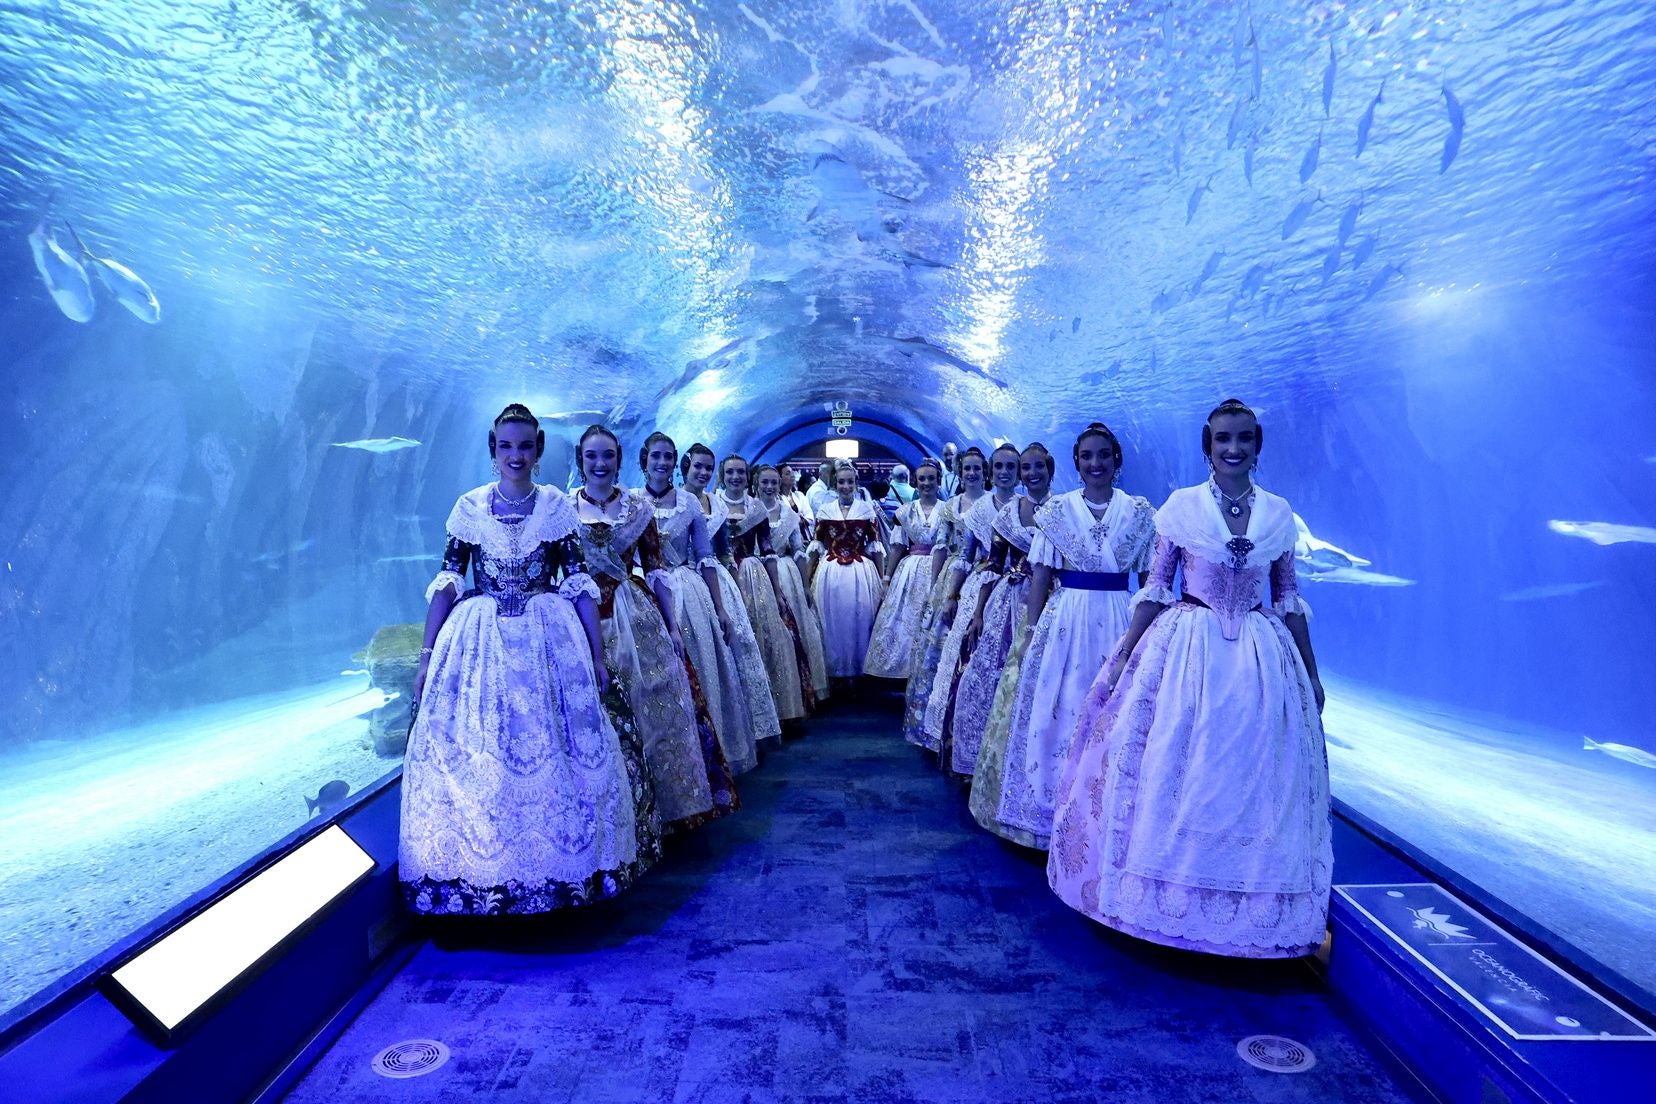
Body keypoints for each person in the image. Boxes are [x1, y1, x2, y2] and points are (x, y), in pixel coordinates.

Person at [1048, 400, 1330, 959]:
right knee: (1175, 765)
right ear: (1207, 446)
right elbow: (1156, 586)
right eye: (1223, 438)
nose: (1233, 448)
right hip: (1186, 656)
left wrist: (1311, 673)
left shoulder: (1278, 513)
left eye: (1244, 439)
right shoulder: (1180, 508)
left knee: (1252, 771)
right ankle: (1158, 899)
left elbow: (1289, 599)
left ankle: (1252, 914)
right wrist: (1126, 652)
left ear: (1257, 445)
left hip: (1259, 661)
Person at [400, 404, 659, 916]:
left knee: (561, 753)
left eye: (524, 446)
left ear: (538, 450)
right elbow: (449, 580)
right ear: (493, 451)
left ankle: (567, 873)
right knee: (483, 755)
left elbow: (579, 582)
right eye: (505, 446)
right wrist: (427, 657)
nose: (515, 455)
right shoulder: (469, 508)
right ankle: (481, 877)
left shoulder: (556, 506)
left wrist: (595, 653)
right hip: (480, 642)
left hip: (549, 641)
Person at [970, 423, 1155, 848]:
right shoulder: (1056, 514)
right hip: (1067, 618)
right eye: (1087, 456)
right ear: (1076, 463)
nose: (1096, 464)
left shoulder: (1141, 513)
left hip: (1116, 618)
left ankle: (1105, 816)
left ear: (1117, 461)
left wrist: (1145, 636)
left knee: (1112, 712)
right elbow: (1040, 575)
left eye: (1104, 455)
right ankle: (1049, 813)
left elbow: (1149, 582)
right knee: (1060, 706)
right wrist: (1032, 630)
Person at [573, 425, 737, 833]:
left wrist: (673, 626)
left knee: (655, 708)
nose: (600, 464)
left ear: (620, 460)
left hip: (634, 612)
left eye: (608, 455)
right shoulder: (562, 508)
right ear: (580, 460)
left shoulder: (635, 510)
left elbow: (657, 569)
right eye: (591, 456)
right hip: (579, 615)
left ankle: (658, 808)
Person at [641, 431, 774, 775]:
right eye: (656, 456)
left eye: (668, 456)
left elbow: (706, 557)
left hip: (688, 588)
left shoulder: (688, 504)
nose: (662, 463)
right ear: (645, 459)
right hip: (645, 589)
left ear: (675, 462)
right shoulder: (632, 502)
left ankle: (705, 756)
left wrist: (721, 608)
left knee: (701, 670)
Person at [948, 444, 1054, 777]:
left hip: (1055, 599)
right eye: (1026, 467)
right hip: (1008, 599)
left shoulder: (1064, 509)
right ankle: (987, 757)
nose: (1031, 473)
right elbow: (993, 565)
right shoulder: (1007, 515)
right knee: (992, 675)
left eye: (1038, 467)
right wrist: (977, 613)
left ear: (1050, 470)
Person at [921, 443, 1022, 764]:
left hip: (1023, 592)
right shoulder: (979, 511)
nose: (1004, 473)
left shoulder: (1029, 506)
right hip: (983, 590)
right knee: (973, 664)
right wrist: (951, 596)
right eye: (1000, 467)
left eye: (1011, 467)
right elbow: (965, 558)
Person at [683, 443, 785, 751]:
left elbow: (724, 554)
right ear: (685, 466)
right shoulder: (676, 501)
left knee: (731, 654)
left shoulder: (716, 505)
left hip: (717, 582)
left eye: (707, 467)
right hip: (681, 585)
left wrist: (735, 595)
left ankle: (728, 732)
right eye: (697, 466)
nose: (702, 472)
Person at [900, 446, 985, 750]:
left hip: (986, 577)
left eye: (977, 468)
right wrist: (935, 586)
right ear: (960, 473)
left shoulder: (994, 505)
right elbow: (941, 546)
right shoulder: (950, 508)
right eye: (967, 469)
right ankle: (935, 726)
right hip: (954, 576)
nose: (972, 473)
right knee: (939, 650)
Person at [719, 454, 811, 722]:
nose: (736, 477)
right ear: (723, 476)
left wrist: (777, 591)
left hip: (752, 575)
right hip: (721, 576)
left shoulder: (756, 508)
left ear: (748, 477)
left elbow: (768, 550)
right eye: (730, 472)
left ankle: (771, 709)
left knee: (766, 637)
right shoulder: (711, 505)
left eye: (740, 472)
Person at [756, 463, 830, 704]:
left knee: (791, 635)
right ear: (756, 484)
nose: (769, 486)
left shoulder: (789, 514)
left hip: (785, 573)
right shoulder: (750, 510)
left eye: (773, 482)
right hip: (755, 574)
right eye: (764, 482)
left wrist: (805, 585)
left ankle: (793, 695)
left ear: (780, 485)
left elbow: (798, 550)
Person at [864, 460, 946, 679]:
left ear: (938, 481)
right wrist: (888, 577)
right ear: (915, 482)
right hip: (910, 570)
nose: (927, 483)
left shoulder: (947, 511)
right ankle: (905, 672)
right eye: (922, 479)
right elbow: (898, 546)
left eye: (931, 478)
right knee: (904, 623)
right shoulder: (905, 512)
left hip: (939, 568)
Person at [807, 462, 887, 681]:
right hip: (830, 572)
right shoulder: (825, 510)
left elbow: (876, 547)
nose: (845, 486)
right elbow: (816, 547)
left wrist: (882, 580)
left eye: (849, 482)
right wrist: (808, 580)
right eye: (841, 482)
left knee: (859, 618)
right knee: (832, 620)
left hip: (860, 572)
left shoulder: (866, 509)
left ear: (856, 483)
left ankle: (858, 672)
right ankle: (835, 672)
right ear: (835, 484)